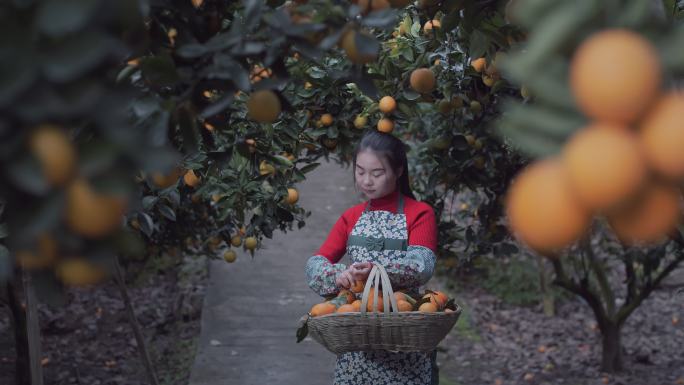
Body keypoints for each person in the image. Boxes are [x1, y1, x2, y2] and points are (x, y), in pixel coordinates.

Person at [305, 130, 439, 385]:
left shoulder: (420, 213)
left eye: (377, 173)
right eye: (360, 171)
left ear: (399, 171)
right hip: (358, 339)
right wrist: (340, 276)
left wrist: (377, 270)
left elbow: (421, 265)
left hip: (405, 334)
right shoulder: (351, 217)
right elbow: (315, 264)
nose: (366, 181)